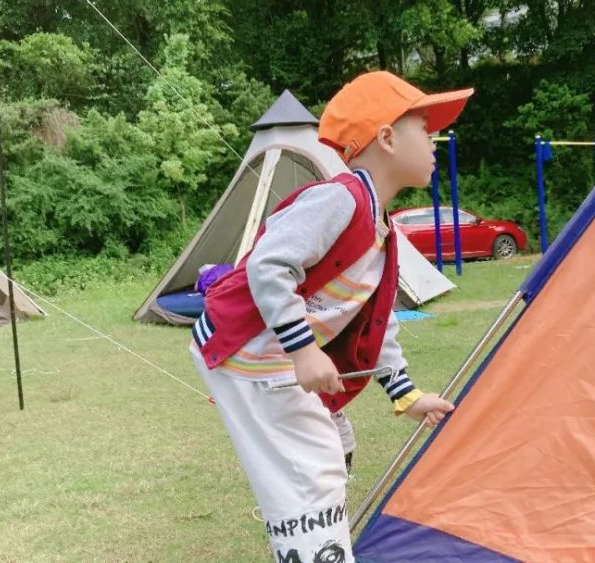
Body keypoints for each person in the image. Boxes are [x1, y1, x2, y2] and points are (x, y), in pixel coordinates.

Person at [189, 70, 472, 562]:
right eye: (424, 128)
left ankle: (317, 542)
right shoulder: (340, 198)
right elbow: (268, 263)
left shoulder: (381, 228)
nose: (434, 141)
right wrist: (302, 349)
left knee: (334, 441)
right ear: (386, 137)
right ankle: (317, 547)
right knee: (312, 466)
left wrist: (407, 396)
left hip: (268, 354)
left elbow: (377, 322)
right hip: (245, 349)